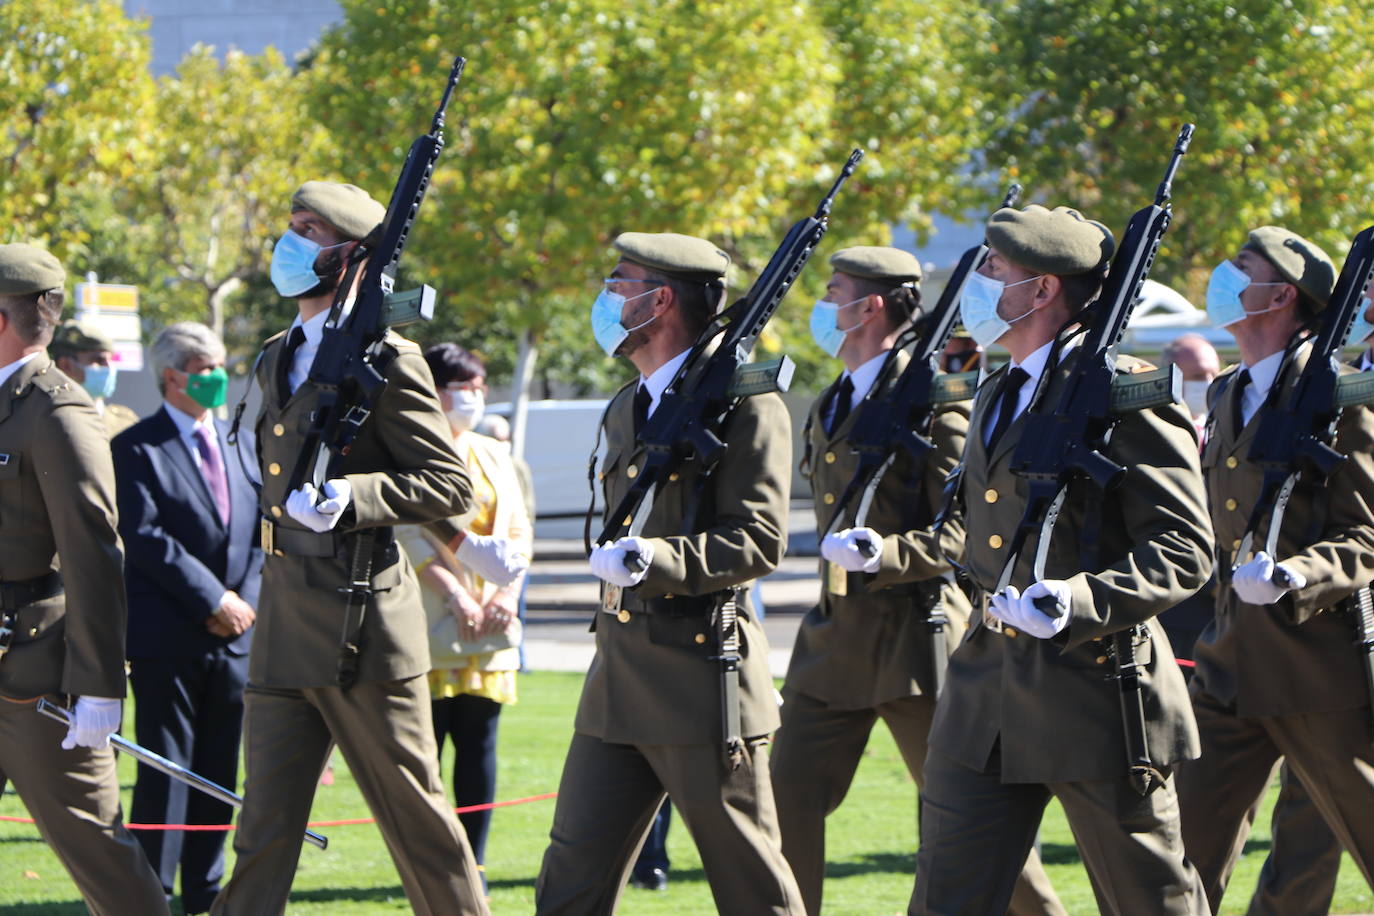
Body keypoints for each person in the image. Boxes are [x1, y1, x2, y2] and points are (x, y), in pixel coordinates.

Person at [211, 181, 515, 916]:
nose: (288, 242)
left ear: (347, 256)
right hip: (286, 617)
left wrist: (356, 496)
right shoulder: (277, 354)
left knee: (418, 825)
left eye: (307, 231)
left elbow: (447, 483)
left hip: (362, 627)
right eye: (291, 226)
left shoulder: (389, 355)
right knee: (263, 830)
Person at [912, 205, 1214, 915]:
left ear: (1043, 289)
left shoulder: (1122, 393)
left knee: (1149, 899)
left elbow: (1185, 547)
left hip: (1096, 688)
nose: (977, 282)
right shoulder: (996, 390)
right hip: (985, 690)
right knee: (944, 898)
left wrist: (1076, 602)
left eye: (993, 269)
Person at [770, 245, 1064, 916]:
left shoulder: (936, 397)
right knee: (783, 802)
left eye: (833, 289)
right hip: (832, 640)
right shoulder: (834, 398)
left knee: (970, 823)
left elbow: (969, 532)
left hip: (918, 641)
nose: (822, 302)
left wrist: (887, 552)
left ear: (869, 305)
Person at [536, 231, 803, 914]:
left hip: (699, 675)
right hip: (618, 674)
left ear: (657, 301)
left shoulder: (746, 403)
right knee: (571, 876)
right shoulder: (631, 404)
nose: (605, 296)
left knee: (751, 885)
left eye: (617, 282)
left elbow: (760, 540)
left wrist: (658, 559)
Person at [1176, 226, 1374, 910]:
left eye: (1242, 267)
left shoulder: (1344, 395)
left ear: (1281, 294)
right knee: (1175, 862)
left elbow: (1366, 535)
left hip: (1319, 669)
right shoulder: (1231, 392)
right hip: (1229, 662)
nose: (1224, 277)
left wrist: (1296, 574)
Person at [0, 242, 168, 914]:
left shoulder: (56, 411)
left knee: (99, 854)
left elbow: (94, 554)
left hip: (36, 677)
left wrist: (99, 688)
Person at [111, 322, 261, 914]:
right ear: (172, 376)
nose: (216, 376)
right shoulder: (136, 447)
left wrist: (241, 602)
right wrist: (212, 601)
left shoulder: (239, 443)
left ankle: (205, 893)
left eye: (220, 364)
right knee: (165, 771)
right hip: (169, 636)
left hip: (234, 641)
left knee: (220, 773)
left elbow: (256, 534)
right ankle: (153, 891)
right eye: (204, 367)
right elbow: (146, 537)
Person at [398, 342, 531, 894]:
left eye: (480, 387)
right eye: (463, 387)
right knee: (425, 754)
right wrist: (456, 594)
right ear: (433, 389)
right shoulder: (410, 451)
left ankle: (472, 862)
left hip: (492, 628)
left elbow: (520, 531)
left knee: (480, 749)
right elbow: (406, 531)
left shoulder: (493, 453)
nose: (474, 398)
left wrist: (506, 594)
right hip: (432, 622)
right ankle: (431, 866)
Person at [49, 319, 139, 437]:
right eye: (99, 360)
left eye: (111, 359)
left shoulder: (126, 422)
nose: (109, 368)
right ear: (65, 366)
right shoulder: (47, 421)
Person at [1161, 332, 1221, 439]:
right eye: (1198, 376)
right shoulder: (1156, 432)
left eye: (1214, 374)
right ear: (1170, 378)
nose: (1209, 382)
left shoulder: (1222, 429)